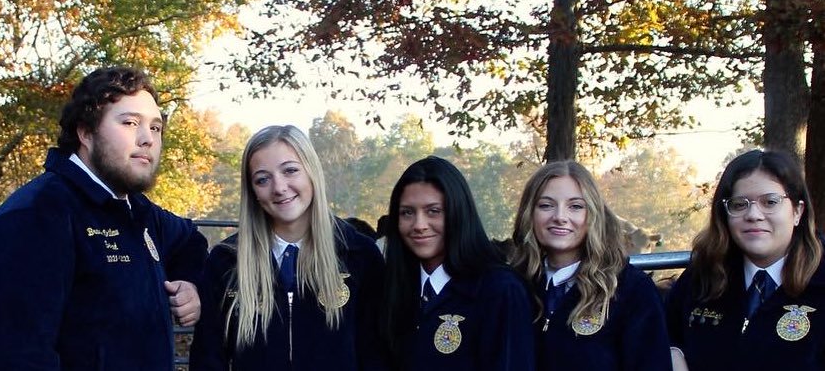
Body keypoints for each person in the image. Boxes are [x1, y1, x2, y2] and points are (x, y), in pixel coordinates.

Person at [0, 67, 207, 370]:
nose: (147, 138)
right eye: (130, 123)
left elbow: (191, 242)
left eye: (156, 127)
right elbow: (16, 356)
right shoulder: (34, 217)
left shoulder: (137, 210)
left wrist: (189, 284)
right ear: (85, 132)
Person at [190, 125, 385, 370]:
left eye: (290, 171)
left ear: (312, 172)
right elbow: (208, 358)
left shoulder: (359, 254)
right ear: (253, 191)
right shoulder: (226, 261)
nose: (279, 188)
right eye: (263, 179)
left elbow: (375, 354)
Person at [665, 149, 823, 370]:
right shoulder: (703, 276)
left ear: (797, 211)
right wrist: (674, 353)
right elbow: (663, 333)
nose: (753, 215)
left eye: (770, 202)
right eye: (739, 204)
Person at [509, 161, 670, 370]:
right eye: (546, 205)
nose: (560, 217)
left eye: (575, 206)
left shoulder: (631, 290)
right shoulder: (511, 287)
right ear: (529, 213)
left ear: (593, 214)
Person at [378, 156, 533, 371]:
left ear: (459, 212)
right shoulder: (393, 289)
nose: (419, 225)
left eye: (433, 211)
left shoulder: (499, 290)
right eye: (407, 213)